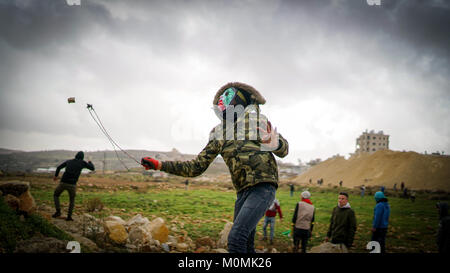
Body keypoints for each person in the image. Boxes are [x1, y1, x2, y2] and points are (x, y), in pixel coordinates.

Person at [140, 82, 289, 253]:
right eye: (222, 102)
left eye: (229, 100)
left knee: (236, 238)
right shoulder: (218, 133)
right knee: (245, 244)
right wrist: (160, 165)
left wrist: (274, 142)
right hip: (243, 192)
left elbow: (284, 150)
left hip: (263, 187)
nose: (224, 104)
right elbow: (196, 166)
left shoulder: (257, 121)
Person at [52, 151, 95, 221]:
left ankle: (58, 211)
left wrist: (56, 176)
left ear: (75, 156)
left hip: (63, 182)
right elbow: (92, 168)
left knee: (56, 195)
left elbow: (59, 167)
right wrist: (90, 161)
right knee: (72, 200)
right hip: (72, 185)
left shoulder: (69, 161)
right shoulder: (82, 163)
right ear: (82, 157)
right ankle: (69, 217)